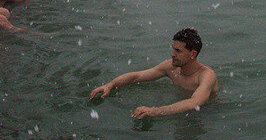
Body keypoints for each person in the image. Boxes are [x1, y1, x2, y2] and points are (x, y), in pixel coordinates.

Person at [89, 28, 218, 119]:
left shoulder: (206, 76)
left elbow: (194, 103)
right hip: (178, 109)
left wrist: (155, 111)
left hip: (205, 115)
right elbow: (137, 76)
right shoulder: (171, 68)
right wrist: (110, 85)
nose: (172, 54)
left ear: (193, 54)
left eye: (178, 51)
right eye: (173, 49)